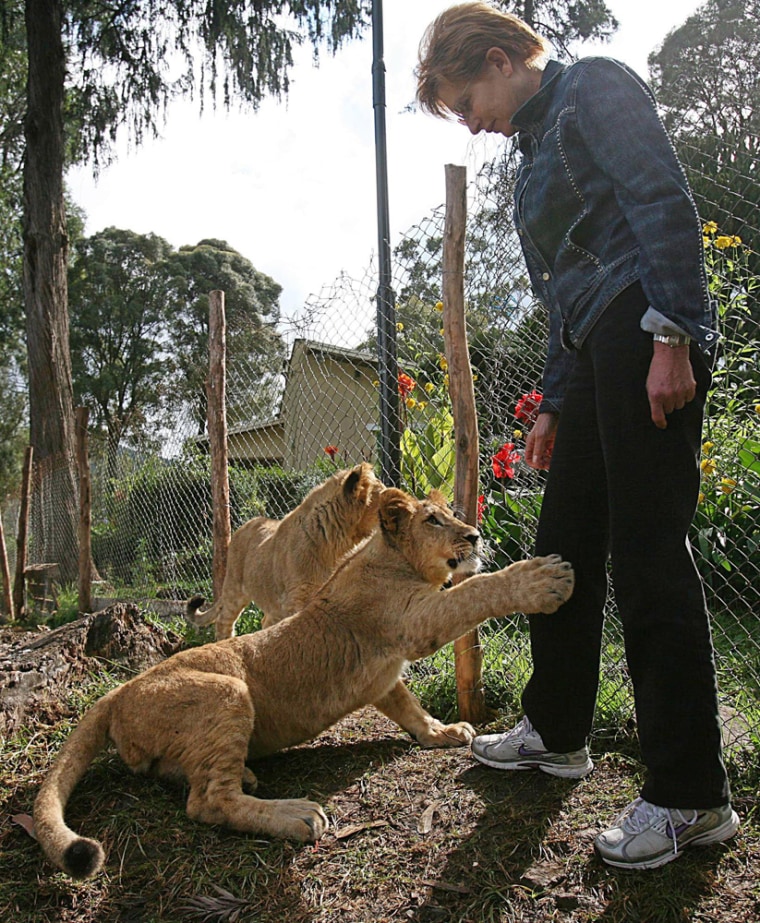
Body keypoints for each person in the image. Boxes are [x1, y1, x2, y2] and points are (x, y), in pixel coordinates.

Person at [415, 2, 739, 870]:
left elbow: (660, 198)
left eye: (465, 101)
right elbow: (562, 296)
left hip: (645, 331)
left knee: (646, 557)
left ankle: (690, 794)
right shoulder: (529, 157)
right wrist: (553, 403)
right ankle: (558, 733)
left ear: (495, 58)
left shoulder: (593, 86)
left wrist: (674, 334)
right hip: (596, 350)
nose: (472, 123)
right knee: (560, 548)